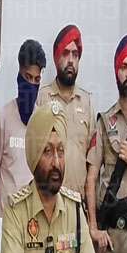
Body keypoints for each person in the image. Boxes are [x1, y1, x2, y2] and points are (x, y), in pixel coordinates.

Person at [1, 102, 97, 253]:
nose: (56, 163)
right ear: (34, 157)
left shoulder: (75, 208)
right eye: (47, 151)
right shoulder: (16, 209)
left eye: (60, 151)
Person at [86, 34, 127, 253]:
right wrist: (93, 227)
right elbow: (91, 177)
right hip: (108, 237)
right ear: (117, 72)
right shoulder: (105, 121)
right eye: (123, 67)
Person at [36, 25, 95, 196]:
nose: (70, 60)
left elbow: (92, 162)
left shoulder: (87, 102)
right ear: (56, 58)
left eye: (75, 55)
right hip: (49, 199)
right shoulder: (42, 98)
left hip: (78, 202)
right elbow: (34, 153)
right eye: (65, 53)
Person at [0, 39, 46, 216]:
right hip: (6, 216)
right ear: (19, 77)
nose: (32, 84)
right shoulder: (3, 117)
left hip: (33, 218)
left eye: (36, 79)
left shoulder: (42, 121)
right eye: (27, 77)